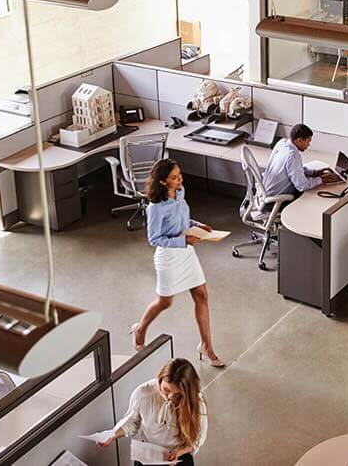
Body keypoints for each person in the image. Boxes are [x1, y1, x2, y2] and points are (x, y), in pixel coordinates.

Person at [130, 159, 224, 368]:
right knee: (165, 302)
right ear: (163, 182)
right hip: (169, 256)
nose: (180, 179)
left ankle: (206, 347)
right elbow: (154, 239)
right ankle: (140, 329)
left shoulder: (180, 193)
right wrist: (183, 240)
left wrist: (198, 225)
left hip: (187, 253)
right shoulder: (155, 207)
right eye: (174, 178)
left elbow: (183, 221)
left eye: (179, 174)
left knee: (202, 295)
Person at [98, 359, 207, 465]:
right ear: (159, 380)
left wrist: (178, 452)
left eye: (177, 395)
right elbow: (132, 421)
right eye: (166, 390)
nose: (169, 397)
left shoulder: (196, 402)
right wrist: (113, 434)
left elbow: (198, 438)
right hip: (148, 454)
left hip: (179, 456)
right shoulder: (143, 393)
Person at [262, 124, 338, 199]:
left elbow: (294, 169)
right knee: (313, 197)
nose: (308, 145)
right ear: (299, 140)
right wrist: (322, 179)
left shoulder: (282, 143)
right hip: (274, 200)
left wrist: (314, 172)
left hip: (265, 194)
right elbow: (302, 186)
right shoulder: (292, 155)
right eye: (308, 141)